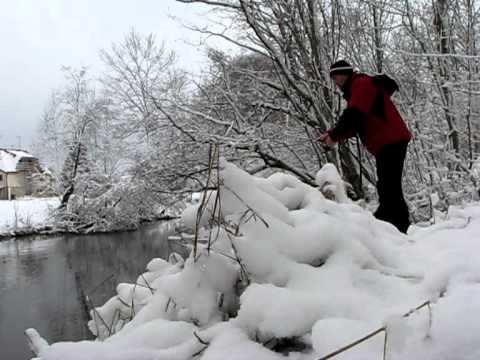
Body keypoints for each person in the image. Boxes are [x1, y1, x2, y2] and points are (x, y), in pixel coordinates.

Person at [318, 60, 412, 234]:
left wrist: (333, 136)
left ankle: (396, 228)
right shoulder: (357, 88)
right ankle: (391, 225)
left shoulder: (361, 84)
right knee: (387, 186)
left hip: (391, 140)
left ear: (345, 74)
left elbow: (353, 115)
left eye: (336, 77)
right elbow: (356, 124)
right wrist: (332, 134)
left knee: (389, 186)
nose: (335, 82)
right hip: (388, 142)